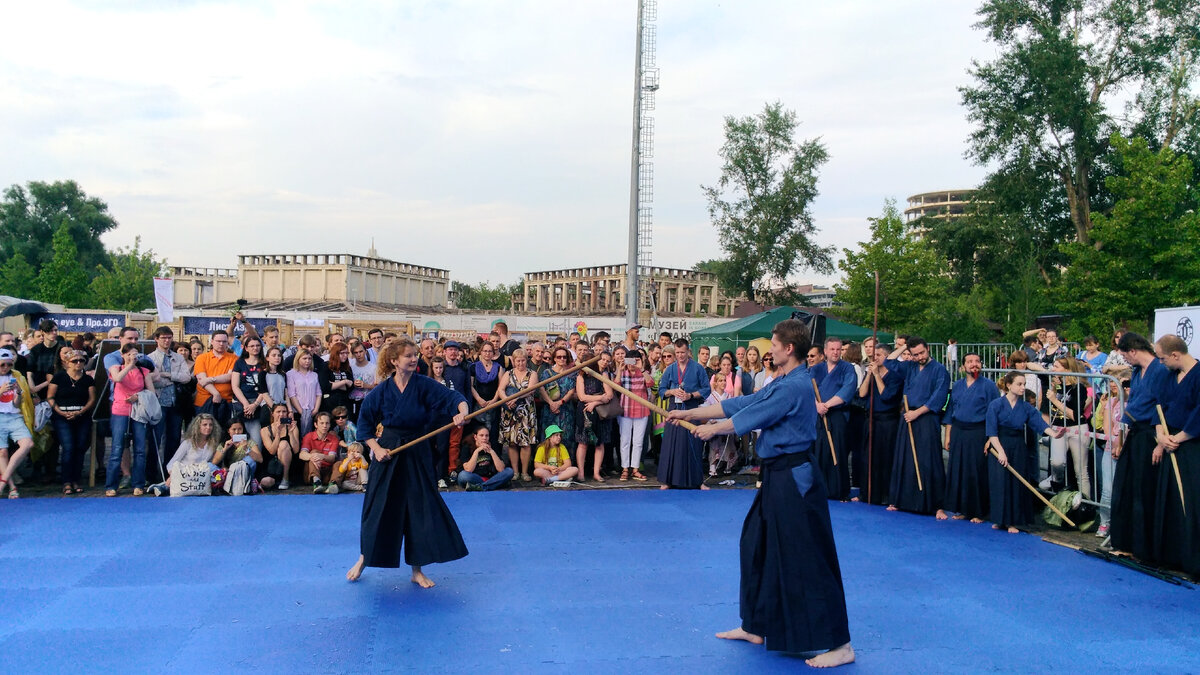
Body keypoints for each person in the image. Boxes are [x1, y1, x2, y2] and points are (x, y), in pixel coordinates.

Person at [667, 319, 854, 667]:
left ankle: (839, 643)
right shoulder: (781, 380)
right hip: (775, 475)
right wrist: (689, 411)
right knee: (755, 545)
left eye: (774, 342)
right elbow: (740, 404)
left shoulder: (794, 387)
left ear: (789, 349)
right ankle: (756, 625)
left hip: (795, 478)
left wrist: (711, 431)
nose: (770, 347)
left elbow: (747, 420)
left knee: (808, 557)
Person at [347, 337, 469, 588]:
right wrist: (377, 449)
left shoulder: (424, 385)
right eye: (408, 355)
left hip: (417, 451)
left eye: (415, 354)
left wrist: (462, 412)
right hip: (388, 452)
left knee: (419, 509)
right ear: (394, 361)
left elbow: (454, 398)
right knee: (377, 509)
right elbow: (365, 426)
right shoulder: (381, 391)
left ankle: (417, 569)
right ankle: (364, 557)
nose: (414, 359)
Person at [1109, 332, 1171, 560]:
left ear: (1133, 351)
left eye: (1125, 355)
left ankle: (1143, 548)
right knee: (1124, 488)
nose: (1125, 360)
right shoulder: (1136, 372)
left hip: (1152, 435)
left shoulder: (1161, 371)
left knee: (1143, 492)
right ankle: (1124, 542)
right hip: (1134, 433)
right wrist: (1119, 438)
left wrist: (1160, 444)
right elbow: (1132, 405)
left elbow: (1162, 407)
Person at [986, 372, 1066, 533]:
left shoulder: (1026, 407)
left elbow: (1039, 424)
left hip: (1018, 446)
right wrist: (1000, 452)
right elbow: (992, 433)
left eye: (1024, 384)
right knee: (999, 483)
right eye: (1019, 384)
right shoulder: (995, 405)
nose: (1023, 387)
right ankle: (1000, 519)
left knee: (1016, 483)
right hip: (999, 444)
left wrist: (1054, 434)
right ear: (1009, 385)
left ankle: (1013, 521)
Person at [1152, 335, 1200, 575]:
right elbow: (1159, 407)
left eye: (1162, 358)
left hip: (1191, 447)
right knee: (1169, 500)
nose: (1161, 363)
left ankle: (1194, 560)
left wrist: (1178, 438)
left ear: (1175, 355)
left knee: (1191, 502)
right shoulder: (1169, 377)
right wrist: (1161, 436)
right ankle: (1170, 556)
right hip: (1169, 443)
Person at [888, 337, 950, 517]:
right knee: (905, 458)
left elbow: (938, 397)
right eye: (915, 354)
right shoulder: (910, 366)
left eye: (922, 353)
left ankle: (936, 505)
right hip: (908, 415)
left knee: (929, 460)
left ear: (928, 349)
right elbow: (889, 362)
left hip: (927, 418)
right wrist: (903, 348)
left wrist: (918, 413)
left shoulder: (940, 370)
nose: (919, 357)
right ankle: (902, 500)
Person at [943, 353, 1000, 522]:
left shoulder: (989, 386)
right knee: (959, 470)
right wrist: (948, 435)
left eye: (977, 361)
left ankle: (979, 512)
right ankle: (962, 509)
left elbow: (994, 413)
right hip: (959, 431)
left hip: (978, 432)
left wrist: (991, 438)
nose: (974, 364)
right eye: (969, 362)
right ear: (963, 367)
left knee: (977, 471)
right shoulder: (958, 385)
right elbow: (950, 412)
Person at [657, 338, 711, 490]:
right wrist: (672, 391)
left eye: (683, 352)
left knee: (693, 442)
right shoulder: (670, 369)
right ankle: (667, 480)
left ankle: (698, 481)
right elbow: (661, 390)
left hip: (691, 408)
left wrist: (691, 395)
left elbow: (706, 389)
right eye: (678, 352)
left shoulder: (698, 368)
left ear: (688, 351)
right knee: (671, 445)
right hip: (674, 408)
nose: (680, 355)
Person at [811, 338, 857, 501]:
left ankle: (838, 490)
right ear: (825, 351)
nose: (835, 352)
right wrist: (817, 405)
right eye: (832, 349)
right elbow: (808, 390)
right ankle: (817, 488)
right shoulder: (816, 369)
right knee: (818, 451)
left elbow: (848, 390)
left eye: (838, 349)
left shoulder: (847, 369)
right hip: (818, 414)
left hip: (837, 415)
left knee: (837, 450)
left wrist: (827, 405)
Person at [107, 343, 156, 497]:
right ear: (122, 355)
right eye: (128, 354)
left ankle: (138, 483)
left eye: (135, 354)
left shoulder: (144, 371)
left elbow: (151, 391)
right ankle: (111, 485)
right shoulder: (117, 368)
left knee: (140, 449)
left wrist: (138, 396)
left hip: (139, 411)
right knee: (117, 448)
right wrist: (129, 366)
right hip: (121, 410)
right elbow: (117, 379)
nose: (132, 357)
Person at [858, 343, 903, 505]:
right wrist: (870, 375)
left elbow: (886, 396)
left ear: (887, 356)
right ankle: (867, 493)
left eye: (878, 355)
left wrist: (877, 376)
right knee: (868, 458)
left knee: (885, 458)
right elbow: (862, 393)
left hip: (887, 422)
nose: (874, 358)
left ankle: (886, 495)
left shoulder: (895, 377)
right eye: (873, 355)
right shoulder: (870, 372)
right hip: (871, 420)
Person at [47, 349, 96, 495]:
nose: (79, 363)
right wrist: (60, 411)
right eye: (75, 361)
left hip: (82, 415)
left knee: (80, 447)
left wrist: (81, 412)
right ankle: (66, 481)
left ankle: (76, 479)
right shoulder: (59, 377)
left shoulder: (87, 379)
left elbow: (92, 398)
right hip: (62, 415)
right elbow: (50, 397)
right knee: (68, 447)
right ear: (67, 363)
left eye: (82, 361)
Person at [146, 326, 191, 482]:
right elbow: (151, 380)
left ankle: (169, 473)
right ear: (157, 339)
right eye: (163, 338)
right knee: (155, 440)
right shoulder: (150, 358)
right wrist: (169, 379)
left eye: (169, 337)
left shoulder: (178, 357)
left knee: (173, 439)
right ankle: (151, 475)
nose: (167, 340)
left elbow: (186, 377)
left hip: (175, 403)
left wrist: (167, 375)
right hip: (158, 402)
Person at [1045, 356, 1091, 496]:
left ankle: (1086, 504)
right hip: (1059, 428)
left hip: (1077, 428)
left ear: (1067, 369)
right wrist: (1054, 388)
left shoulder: (1079, 388)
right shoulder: (1058, 386)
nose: (1053, 369)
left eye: (1057, 366)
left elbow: (1076, 415)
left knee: (1081, 472)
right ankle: (1055, 481)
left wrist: (1055, 400)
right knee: (1057, 462)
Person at [152, 413, 222, 496]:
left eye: (210, 425)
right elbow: (171, 464)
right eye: (205, 425)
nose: (208, 427)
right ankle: (165, 486)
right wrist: (175, 475)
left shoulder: (213, 444)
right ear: (198, 427)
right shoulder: (187, 443)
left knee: (215, 470)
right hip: (185, 474)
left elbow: (212, 463)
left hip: (201, 476)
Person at [498, 348, 539, 482]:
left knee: (525, 444)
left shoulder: (532, 373)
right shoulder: (508, 373)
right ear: (514, 361)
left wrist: (515, 398)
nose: (520, 363)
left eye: (523, 360)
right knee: (512, 443)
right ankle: (515, 472)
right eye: (518, 361)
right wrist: (507, 400)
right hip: (510, 413)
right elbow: (501, 390)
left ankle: (524, 472)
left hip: (526, 412)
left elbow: (531, 390)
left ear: (526, 360)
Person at [574, 349, 614, 483]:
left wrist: (595, 403)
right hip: (584, 412)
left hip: (600, 413)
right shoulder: (580, 377)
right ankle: (581, 472)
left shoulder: (603, 374)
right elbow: (581, 396)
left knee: (599, 443)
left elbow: (609, 395)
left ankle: (597, 472)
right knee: (583, 443)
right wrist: (599, 398)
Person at [0, 349, 35, 499]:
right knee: (2, 452)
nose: (6, 368)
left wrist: (19, 393)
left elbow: (16, 405)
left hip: (14, 416)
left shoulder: (16, 376)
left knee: (28, 444)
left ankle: (1, 484)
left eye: (9, 364)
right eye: (2, 365)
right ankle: (12, 487)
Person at [617, 349, 653, 481]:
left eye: (635, 360)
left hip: (642, 411)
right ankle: (625, 468)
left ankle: (635, 468)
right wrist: (620, 370)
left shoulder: (643, 372)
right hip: (625, 410)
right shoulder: (623, 371)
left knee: (638, 442)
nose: (631, 363)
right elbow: (616, 385)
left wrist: (641, 368)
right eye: (629, 360)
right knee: (625, 441)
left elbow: (650, 383)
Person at [457, 424, 514, 490]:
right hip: (475, 477)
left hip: (490, 477)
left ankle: (481, 487)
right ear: (475, 437)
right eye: (481, 435)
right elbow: (468, 469)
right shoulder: (467, 447)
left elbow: (501, 469)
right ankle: (491, 485)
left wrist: (492, 452)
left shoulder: (493, 446)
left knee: (509, 471)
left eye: (487, 435)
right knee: (463, 475)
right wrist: (477, 451)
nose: (484, 438)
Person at [470, 341, 504, 444]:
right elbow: (470, 386)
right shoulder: (473, 367)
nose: (487, 353)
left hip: (494, 403)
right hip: (478, 403)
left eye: (490, 351)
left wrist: (494, 400)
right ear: (481, 352)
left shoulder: (498, 367)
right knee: (479, 433)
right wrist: (479, 399)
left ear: (493, 353)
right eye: (485, 351)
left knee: (493, 434)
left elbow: (500, 386)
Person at [259, 403, 298, 490]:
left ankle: (285, 478)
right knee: (266, 482)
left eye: (284, 411)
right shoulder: (265, 430)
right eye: (278, 412)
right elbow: (272, 451)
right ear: (272, 413)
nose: (281, 414)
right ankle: (276, 480)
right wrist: (278, 433)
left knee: (283, 443)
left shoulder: (293, 427)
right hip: (272, 464)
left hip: (289, 463)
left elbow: (296, 450)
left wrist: (291, 432)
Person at [301, 411, 340, 493]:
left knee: (339, 463)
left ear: (330, 425)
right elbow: (301, 454)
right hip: (311, 471)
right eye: (321, 423)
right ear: (316, 425)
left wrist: (321, 456)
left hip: (327, 471)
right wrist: (313, 456)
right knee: (313, 452)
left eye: (327, 423)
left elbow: (332, 458)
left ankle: (333, 484)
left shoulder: (334, 439)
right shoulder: (308, 436)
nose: (324, 426)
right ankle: (316, 482)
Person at [286, 351, 321, 437]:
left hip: (312, 411)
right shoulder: (291, 374)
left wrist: (316, 410)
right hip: (298, 411)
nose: (307, 361)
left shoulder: (314, 375)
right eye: (304, 358)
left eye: (309, 358)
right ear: (298, 359)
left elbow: (318, 393)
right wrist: (301, 411)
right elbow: (291, 394)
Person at [348, 341, 377, 420]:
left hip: (368, 402)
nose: (359, 355)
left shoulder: (373, 368)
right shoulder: (350, 368)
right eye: (356, 352)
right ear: (353, 354)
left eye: (361, 351)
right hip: (352, 402)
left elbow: (379, 387)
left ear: (365, 351)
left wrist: (367, 385)